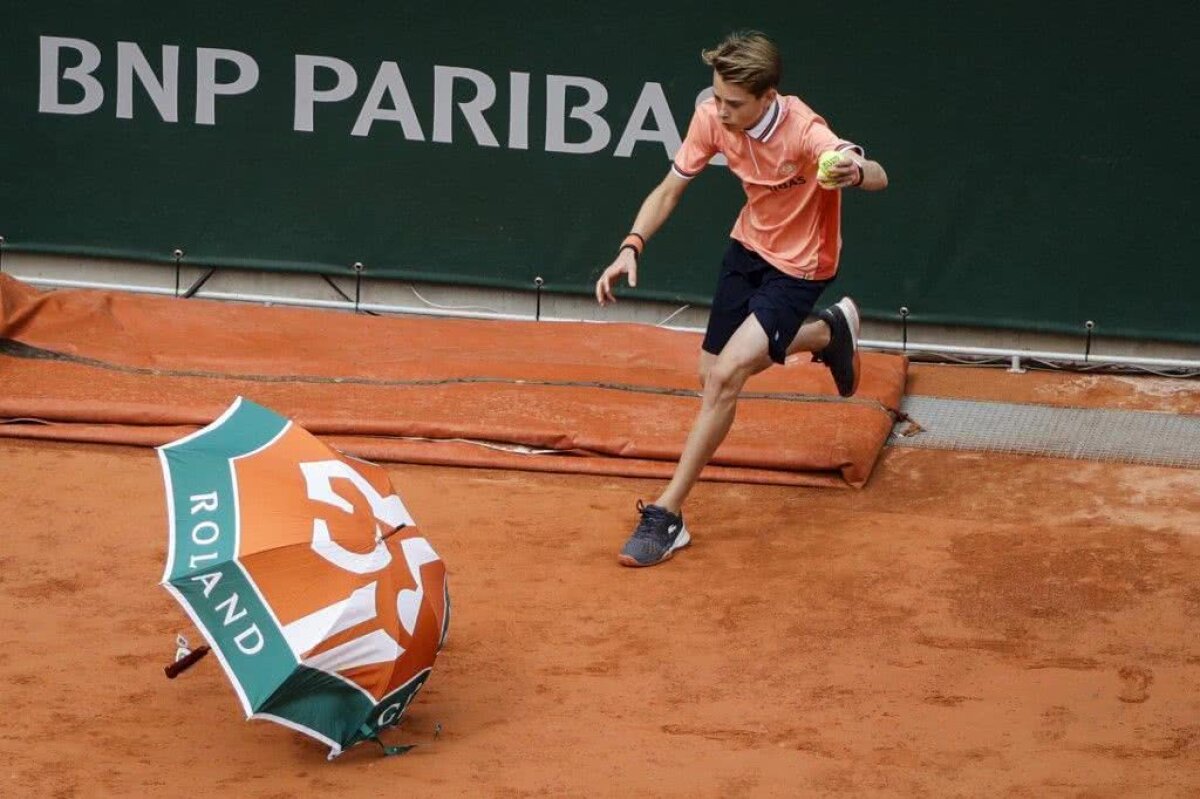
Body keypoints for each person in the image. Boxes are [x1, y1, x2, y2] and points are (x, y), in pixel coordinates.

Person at [594, 30, 888, 568]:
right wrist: (630, 245)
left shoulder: (804, 130)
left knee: (729, 375)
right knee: (710, 377)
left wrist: (855, 170)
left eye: (734, 104)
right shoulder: (711, 116)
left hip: (801, 265)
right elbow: (668, 189)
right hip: (747, 247)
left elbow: (876, 175)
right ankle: (825, 333)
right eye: (717, 97)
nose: (720, 111)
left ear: (767, 98)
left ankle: (668, 513)